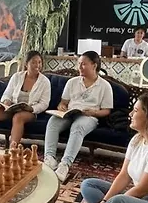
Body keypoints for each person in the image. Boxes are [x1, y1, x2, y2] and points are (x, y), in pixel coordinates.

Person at [43, 51, 113, 182]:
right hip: (69, 113)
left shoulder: (105, 86)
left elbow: (106, 111)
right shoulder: (72, 82)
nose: (79, 67)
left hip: (89, 116)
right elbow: (63, 102)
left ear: (94, 65)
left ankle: (65, 165)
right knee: (53, 121)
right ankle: (50, 158)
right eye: (79, 63)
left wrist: (93, 112)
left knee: (78, 127)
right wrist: (62, 107)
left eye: (83, 64)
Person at [0, 51, 51, 147]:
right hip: (12, 108)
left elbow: (44, 103)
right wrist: (6, 101)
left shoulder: (45, 82)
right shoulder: (17, 77)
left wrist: (32, 108)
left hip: (30, 112)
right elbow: (7, 94)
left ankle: (13, 149)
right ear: (26, 64)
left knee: (18, 117)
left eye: (39, 62)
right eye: (33, 62)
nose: (37, 65)